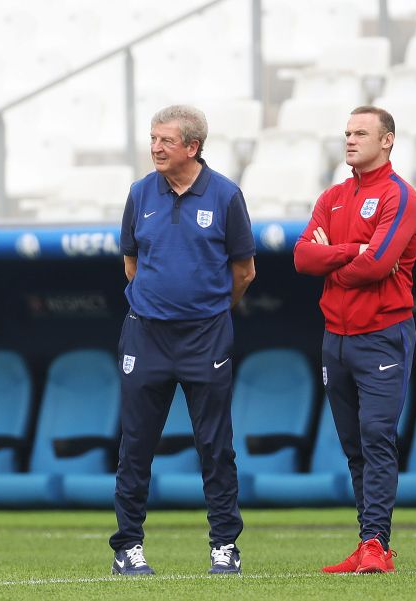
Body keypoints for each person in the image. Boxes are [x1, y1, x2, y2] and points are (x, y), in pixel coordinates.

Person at [110, 105, 256, 576]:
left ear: (192, 147)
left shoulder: (227, 196)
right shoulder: (139, 194)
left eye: (165, 141)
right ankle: (127, 547)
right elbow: (131, 264)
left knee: (215, 446)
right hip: (145, 334)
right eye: (152, 139)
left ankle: (224, 546)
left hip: (205, 338)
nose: (155, 148)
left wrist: (206, 310)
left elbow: (243, 272)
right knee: (135, 446)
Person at [293, 106, 416, 574]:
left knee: (376, 438)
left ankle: (376, 544)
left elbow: (379, 265)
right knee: (353, 446)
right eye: (347, 132)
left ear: (387, 140)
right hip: (336, 339)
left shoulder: (399, 196)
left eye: (361, 132)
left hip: (382, 335)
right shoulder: (332, 197)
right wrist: (350, 250)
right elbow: (303, 257)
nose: (350, 139)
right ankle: (369, 541)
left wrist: (335, 258)